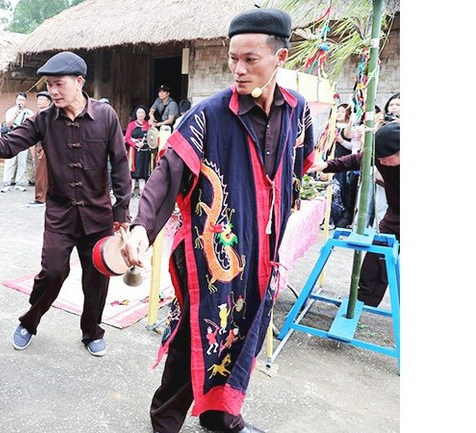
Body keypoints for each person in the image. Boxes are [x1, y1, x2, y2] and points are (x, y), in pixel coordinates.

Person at [121, 8, 313, 433]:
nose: (238, 70)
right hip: (211, 256)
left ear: (280, 58)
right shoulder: (207, 114)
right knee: (197, 333)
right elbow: (167, 173)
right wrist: (141, 228)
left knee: (241, 334)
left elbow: (298, 165)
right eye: (233, 59)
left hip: (261, 253)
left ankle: (221, 417)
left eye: (251, 59)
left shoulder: (297, 110)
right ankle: (164, 423)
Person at [0, 51, 131, 357]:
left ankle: (92, 331)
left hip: (98, 215)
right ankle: (29, 322)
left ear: (78, 82)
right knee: (52, 272)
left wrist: (121, 212)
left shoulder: (105, 116)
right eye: (49, 85)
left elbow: (120, 164)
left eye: (59, 84)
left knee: (96, 278)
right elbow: (7, 145)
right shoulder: (44, 120)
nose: (53, 91)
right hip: (61, 215)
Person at [308, 121, 399, 307]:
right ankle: (363, 300)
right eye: (378, 158)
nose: (380, 162)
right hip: (395, 213)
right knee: (378, 253)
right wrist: (325, 165)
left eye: (385, 159)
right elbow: (355, 160)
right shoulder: (379, 155)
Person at [0, 92, 34, 192]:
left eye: (22, 100)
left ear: (25, 101)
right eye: (19, 100)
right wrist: (15, 115)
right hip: (12, 137)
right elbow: (8, 124)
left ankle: (19, 183)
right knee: (10, 161)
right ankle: (6, 183)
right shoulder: (11, 111)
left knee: (22, 161)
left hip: (24, 139)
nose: (20, 102)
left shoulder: (29, 112)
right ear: (16, 101)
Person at [27, 90, 53, 207]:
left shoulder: (49, 114)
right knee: (41, 172)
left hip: (47, 146)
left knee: (41, 173)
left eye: (42, 99)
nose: (39, 101)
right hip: (39, 145)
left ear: (48, 102)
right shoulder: (39, 114)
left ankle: (41, 198)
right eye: (38, 99)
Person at [125, 105, 151, 198]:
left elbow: (152, 137)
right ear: (136, 114)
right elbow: (127, 138)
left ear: (145, 114)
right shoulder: (131, 125)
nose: (140, 114)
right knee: (133, 171)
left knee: (143, 171)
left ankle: (141, 191)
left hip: (144, 150)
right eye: (139, 112)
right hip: (134, 150)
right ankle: (131, 190)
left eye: (142, 113)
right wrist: (135, 144)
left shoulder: (148, 125)